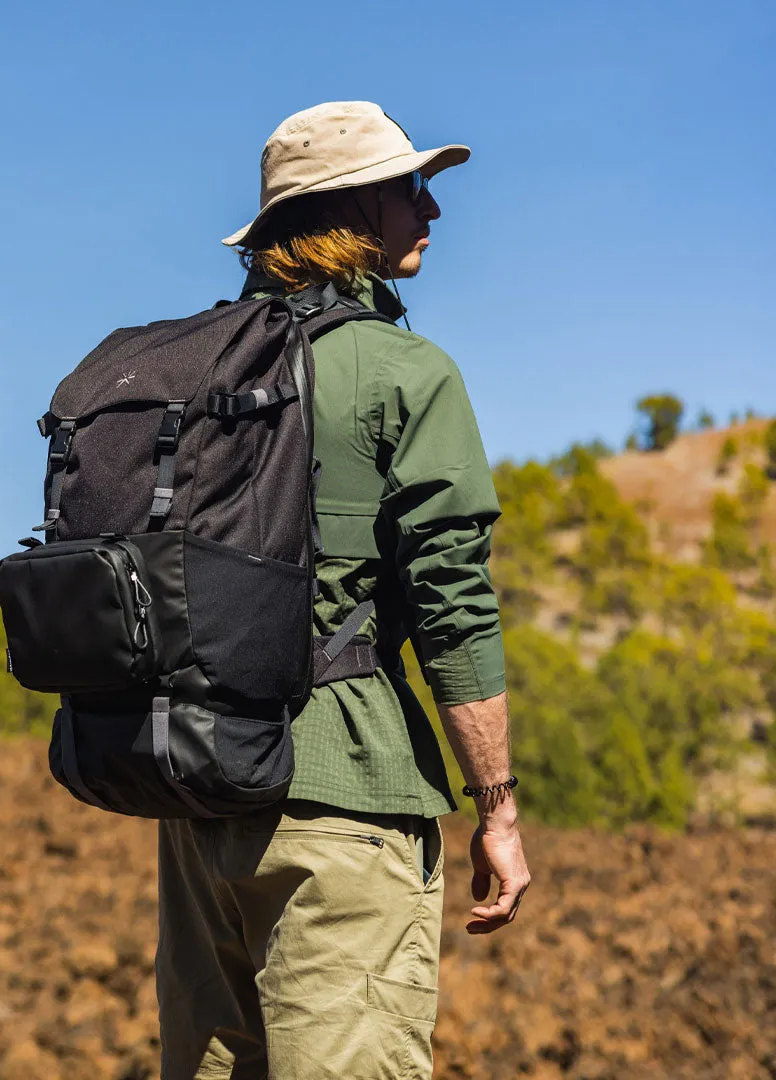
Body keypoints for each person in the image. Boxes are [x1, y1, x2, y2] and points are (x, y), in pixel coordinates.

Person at [155, 100, 531, 1080]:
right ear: (356, 208)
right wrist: (497, 806)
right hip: (344, 796)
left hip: (197, 808)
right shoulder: (406, 373)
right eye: (415, 189)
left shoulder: (190, 379)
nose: (431, 213)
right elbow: (454, 605)